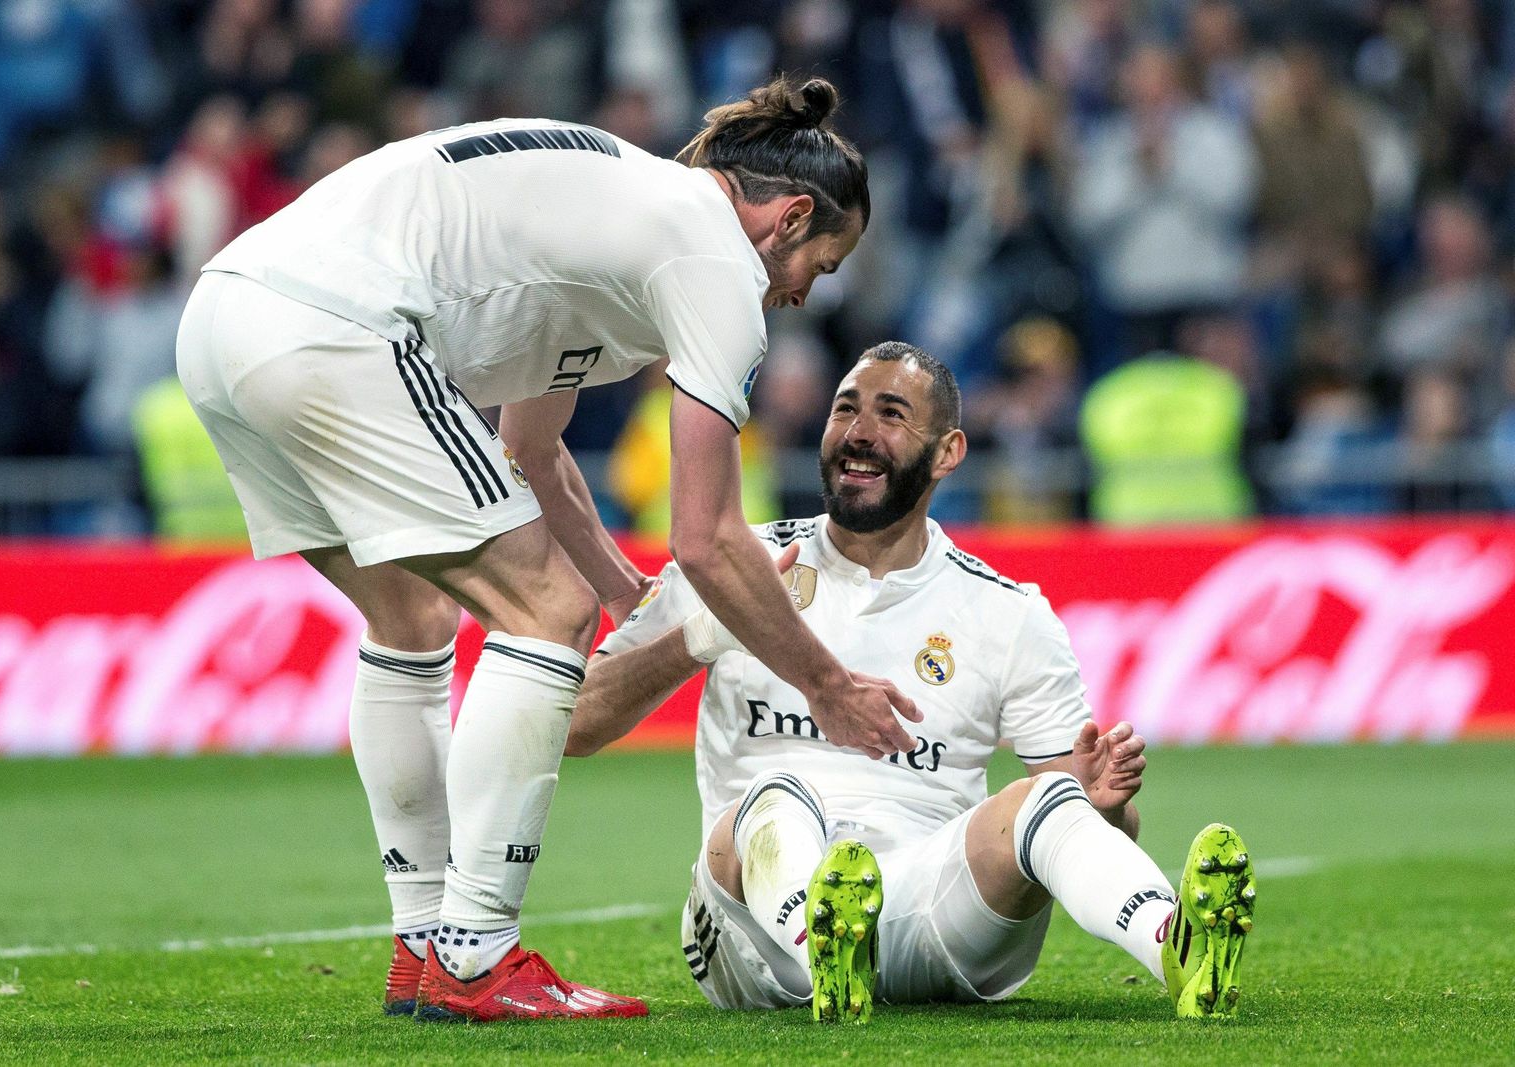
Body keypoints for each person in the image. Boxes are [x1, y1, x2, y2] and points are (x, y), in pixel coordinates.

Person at [174, 76, 923, 1023]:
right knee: (546, 613)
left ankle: (422, 947)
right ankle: (476, 952)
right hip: (338, 325)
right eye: (825, 258)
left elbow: (530, 450)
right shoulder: (713, 257)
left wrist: (628, 595)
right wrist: (829, 687)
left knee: (414, 616)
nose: (809, 287)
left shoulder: (622, 217)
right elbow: (708, 535)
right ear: (789, 216)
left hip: (225, 321)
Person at [568, 342, 1257, 1022]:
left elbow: (1092, 828)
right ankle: (824, 948)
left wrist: (1100, 803)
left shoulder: (1009, 612)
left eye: (891, 414)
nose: (858, 433)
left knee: (1045, 795)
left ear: (949, 452)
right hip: (752, 932)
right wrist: (703, 634)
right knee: (776, 798)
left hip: (931, 902)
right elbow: (575, 723)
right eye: (845, 409)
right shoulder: (734, 565)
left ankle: (1177, 942)